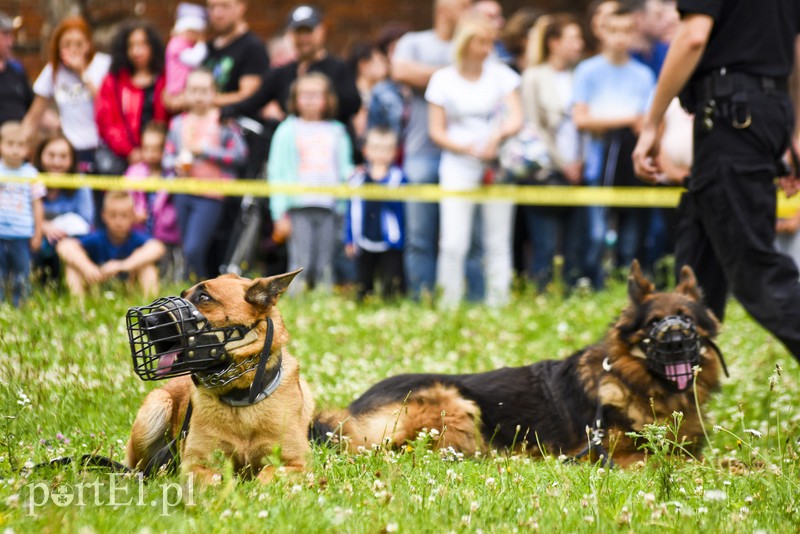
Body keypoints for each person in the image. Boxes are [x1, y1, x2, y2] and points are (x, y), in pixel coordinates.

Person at [632, 1, 800, 360]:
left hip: (730, 118)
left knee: (756, 271)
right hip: (760, 112)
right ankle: (677, 399)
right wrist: (795, 130)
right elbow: (796, 51)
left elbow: (692, 37)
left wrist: (652, 123)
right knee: (695, 279)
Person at [426, 15, 523, 307]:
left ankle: (499, 301)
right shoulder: (443, 79)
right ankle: (449, 302)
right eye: (480, 41)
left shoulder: (501, 75)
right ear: (465, 43)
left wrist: (497, 137)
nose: (486, 48)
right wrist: (465, 148)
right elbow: (436, 130)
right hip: (458, 165)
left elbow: (516, 117)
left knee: (498, 241)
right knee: (454, 241)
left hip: (498, 165)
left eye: (489, 41)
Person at [391, 0, 482, 301]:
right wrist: (458, 73)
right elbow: (400, 70)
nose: (472, 10)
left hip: (468, 157)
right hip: (423, 152)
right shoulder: (415, 42)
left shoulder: (478, 43)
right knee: (421, 237)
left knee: (467, 238)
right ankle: (422, 299)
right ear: (444, 9)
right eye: (465, 5)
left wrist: (439, 77)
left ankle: (471, 302)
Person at [572, 6, 655, 288]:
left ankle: (623, 290)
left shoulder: (643, 75)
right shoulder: (587, 70)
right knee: (596, 235)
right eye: (614, 31)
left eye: (626, 31)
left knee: (631, 239)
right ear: (602, 31)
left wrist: (611, 120)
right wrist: (626, 119)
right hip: (598, 164)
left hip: (630, 164)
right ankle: (593, 286)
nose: (620, 38)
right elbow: (581, 119)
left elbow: (646, 123)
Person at [267, 72, 354, 294]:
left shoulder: (337, 131)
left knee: (326, 261)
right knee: (299, 261)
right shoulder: (287, 129)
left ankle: (323, 302)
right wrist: (279, 214)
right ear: (295, 98)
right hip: (298, 206)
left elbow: (345, 168)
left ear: (327, 99)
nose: (310, 100)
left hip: (329, 206)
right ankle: (297, 303)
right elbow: (276, 172)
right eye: (304, 94)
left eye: (316, 95)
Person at [162, 69, 248, 281]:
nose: (199, 96)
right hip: (183, 191)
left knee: (194, 248)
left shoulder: (224, 122)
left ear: (214, 93)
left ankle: (201, 290)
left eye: (204, 91)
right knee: (187, 247)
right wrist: (176, 166)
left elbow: (239, 155)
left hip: (211, 195)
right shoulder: (178, 123)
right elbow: (167, 157)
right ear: (185, 93)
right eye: (193, 90)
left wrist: (206, 151)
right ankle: (194, 290)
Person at [520, 14, 586, 290]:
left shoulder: (581, 74)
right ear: (554, 42)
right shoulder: (534, 77)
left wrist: (580, 162)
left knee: (576, 246)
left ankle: (571, 297)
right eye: (573, 38)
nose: (579, 45)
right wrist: (563, 164)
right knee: (544, 245)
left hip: (581, 171)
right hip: (546, 172)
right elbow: (534, 127)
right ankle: (541, 295)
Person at [22, 16, 111, 173]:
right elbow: (33, 118)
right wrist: (15, 144)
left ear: (89, 44)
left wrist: (82, 73)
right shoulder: (53, 71)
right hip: (69, 152)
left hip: (102, 149)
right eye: (67, 45)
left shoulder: (103, 64)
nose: (73, 49)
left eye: (79, 44)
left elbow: (108, 106)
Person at [56, 191, 165, 298]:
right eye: (113, 215)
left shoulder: (137, 238)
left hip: (129, 289)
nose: (118, 221)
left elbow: (157, 247)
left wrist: (122, 265)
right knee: (72, 268)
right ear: (104, 215)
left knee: (147, 268)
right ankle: (78, 307)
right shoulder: (97, 238)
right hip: (96, 288)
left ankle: (151, 307)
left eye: (124, 216)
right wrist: (87, 267)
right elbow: (64, 246)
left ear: (133, 216)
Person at [95, 20, 168, 170]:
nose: (136, 51)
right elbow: (107, 121)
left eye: (142, 45)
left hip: (160, 155)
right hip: (123, 158)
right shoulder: (113, 81)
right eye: (131, 46)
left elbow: (167, 119)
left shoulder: (164, 79)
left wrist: (153, 150)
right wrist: (130, 151)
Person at [344, 127, 406, 300]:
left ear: (394, 152)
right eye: (376, 148)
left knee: (391, 284)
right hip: (363, 241)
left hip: (390, 242)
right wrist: (349, 239)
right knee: (363, 284)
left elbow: (397, 208)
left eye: (386, 149)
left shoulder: (398, 177)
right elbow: (351, 211)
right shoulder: (356, 179)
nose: (380, 154)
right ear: (366, 151)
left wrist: (382, 181)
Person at [32, 135, 94, 281]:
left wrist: (58, 230)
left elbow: (85, 221)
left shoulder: (80, 182)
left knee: (67, 250)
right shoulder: (30, 178)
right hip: (36, 244)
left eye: (63, 156)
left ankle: (80, 299)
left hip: (70, 243)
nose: (56, 162)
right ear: (41, 156)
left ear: (72, 159)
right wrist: (44, 226)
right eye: (51, 155)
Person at [0, 122, 43, 306]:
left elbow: (37, 205)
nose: (15, 150)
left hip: (21, 234)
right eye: (10, 144)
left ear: (28, 149)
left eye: (20, 145)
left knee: (21, 274)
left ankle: (21, 306)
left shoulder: (32, 174)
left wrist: (38, 233)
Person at [162, 2, 209, 111]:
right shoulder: (177, 45)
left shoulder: (185, 44)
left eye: (195, 33)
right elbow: (195, 59)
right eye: (190, 32)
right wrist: (201, 43)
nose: (192, 36)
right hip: (179, 87)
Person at [124, 122, 168, 232]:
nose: (151, 154)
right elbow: (125, 197)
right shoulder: (133, 172)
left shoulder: (170, 175)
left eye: (156, 149)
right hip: (138, 230)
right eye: (147, 148)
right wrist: (134, 213)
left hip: (164, 233)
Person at [0, 11, 32, 127]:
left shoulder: (16, 70)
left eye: (11, 35)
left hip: (20, 134)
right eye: (5, 34)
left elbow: (34, 109)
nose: (11, 41)